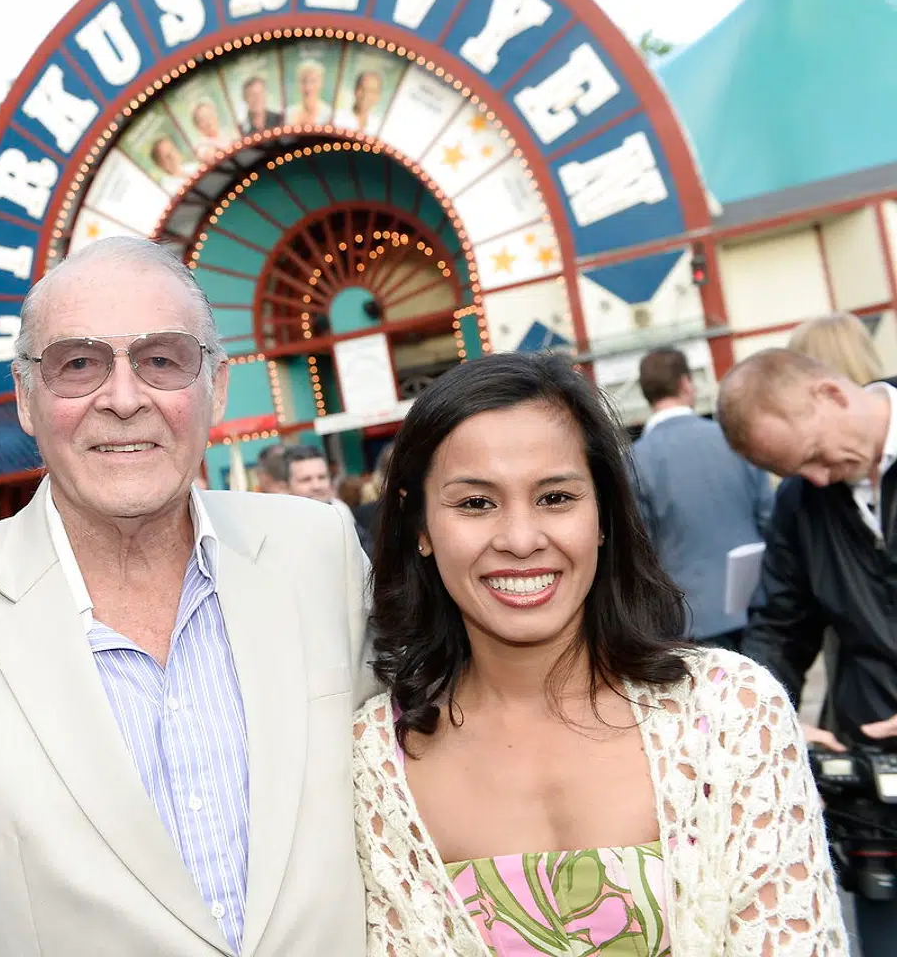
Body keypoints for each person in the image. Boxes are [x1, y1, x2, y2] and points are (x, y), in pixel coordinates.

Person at [0, 236, 375, 956]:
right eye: (78, 365)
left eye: (161, 360)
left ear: (217, 386)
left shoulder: (319, 553)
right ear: (25, 397)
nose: (123, 398)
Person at [355, 352, 846, 954]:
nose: (520, 539)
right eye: (475, 504)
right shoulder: (374, 762)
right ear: (420, 526)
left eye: (556, 497)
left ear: (605, 513)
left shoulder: (732, 715)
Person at [717, 346, 896, 951]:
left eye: (816, 456)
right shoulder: (802, 504)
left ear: (831, 393)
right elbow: (781, 625)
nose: (817, 479)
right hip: (877, 785)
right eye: (797, 471)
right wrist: (768, 717)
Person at [628, 347, 773, 651]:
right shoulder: (733, 439)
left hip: (689, 617)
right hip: (759, 605)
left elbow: (641, 548)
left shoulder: (634, 462)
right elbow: (769, 519)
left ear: (646, 394)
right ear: (686, 384)